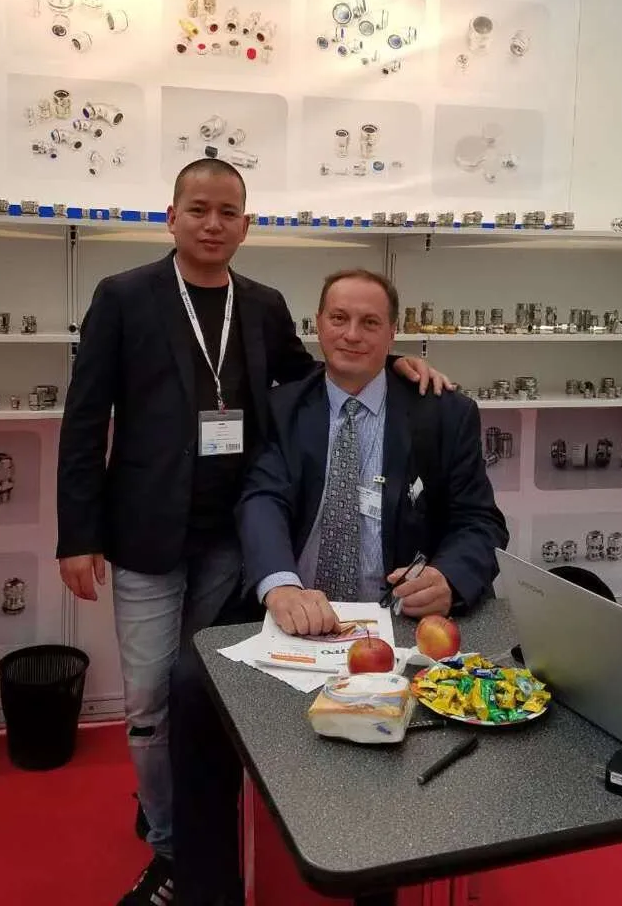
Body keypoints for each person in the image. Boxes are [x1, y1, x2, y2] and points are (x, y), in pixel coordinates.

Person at [55, 160, 449, 906]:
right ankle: (172, 849)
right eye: (198, 209)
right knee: (147, 704)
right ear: (171, 216)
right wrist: (77, 534)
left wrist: (394, 363)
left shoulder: (263, 305)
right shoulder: (124, 296)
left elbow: (318, 377)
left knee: (204, 695)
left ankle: (194, 824)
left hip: (230, 538)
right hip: (143, 534)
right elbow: (84, 419)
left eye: (227, 212)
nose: (212, 224)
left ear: (246, 223)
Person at [170, 268, 507, 905]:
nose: (352, 334)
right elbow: (261, 496)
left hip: (398, 615)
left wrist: (449, 578)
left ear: (393, 333)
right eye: (339, 319)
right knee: (191, 683)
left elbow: (479, 521)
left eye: (370, 322)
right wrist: (279, 585)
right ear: (318, 326)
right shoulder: (282, 407)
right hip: (297, 605)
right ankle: (206, 887)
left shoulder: (444, 412)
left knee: (402, 722)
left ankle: (380, 878)